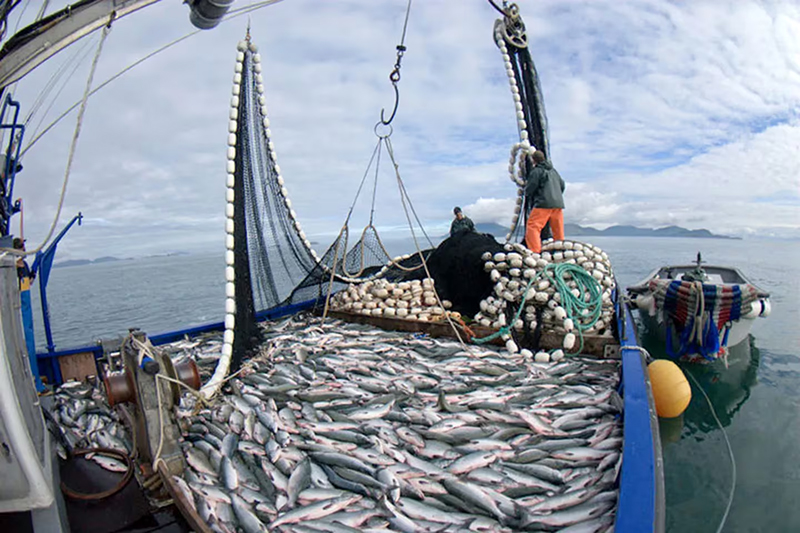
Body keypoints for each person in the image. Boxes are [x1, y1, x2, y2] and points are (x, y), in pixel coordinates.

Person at [524, 150, 565, 252]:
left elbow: (531, 187)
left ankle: (535, 251)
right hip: (558, 204)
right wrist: (556, 196)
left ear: (533, 160)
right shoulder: (553, 171)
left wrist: (526, 192)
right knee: (557, 229)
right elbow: (562, 185)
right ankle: (560, 250)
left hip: (543, 203)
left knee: (533, 226)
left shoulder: (537, 171)